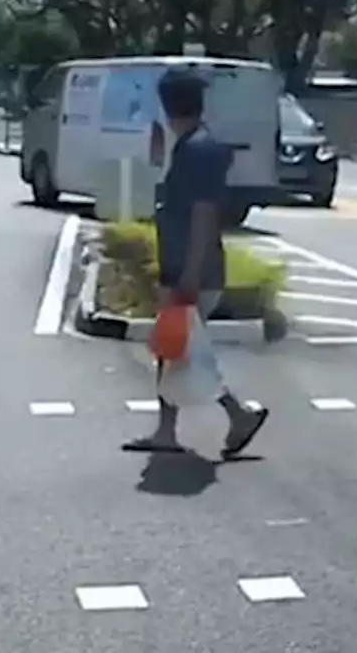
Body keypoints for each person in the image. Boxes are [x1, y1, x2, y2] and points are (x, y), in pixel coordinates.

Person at [122, 67, 268, 457]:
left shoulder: (197, 150)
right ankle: (198, 424)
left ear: (168, 106)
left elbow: (204, 213)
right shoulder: (192, 146)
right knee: (181, 352)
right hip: (188, 268)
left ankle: (228, 417)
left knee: (179, 351)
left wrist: (188, 272)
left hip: (193, 272)